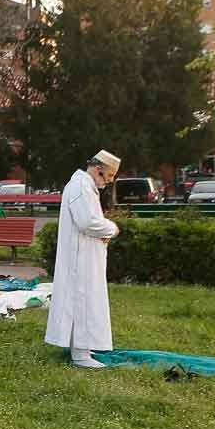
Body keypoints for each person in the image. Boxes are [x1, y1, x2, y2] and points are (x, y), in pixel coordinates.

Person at [45, 151, 122, 369]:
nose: (108, 182)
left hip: (84, 253)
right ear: (98, 169)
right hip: (81, 257)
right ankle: (80, 353)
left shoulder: (83, 186)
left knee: (84, 300)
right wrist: (111, 228)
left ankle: (82, 348)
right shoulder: (81, 187)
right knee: (83, 301)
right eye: (107, 176)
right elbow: (87, 221)